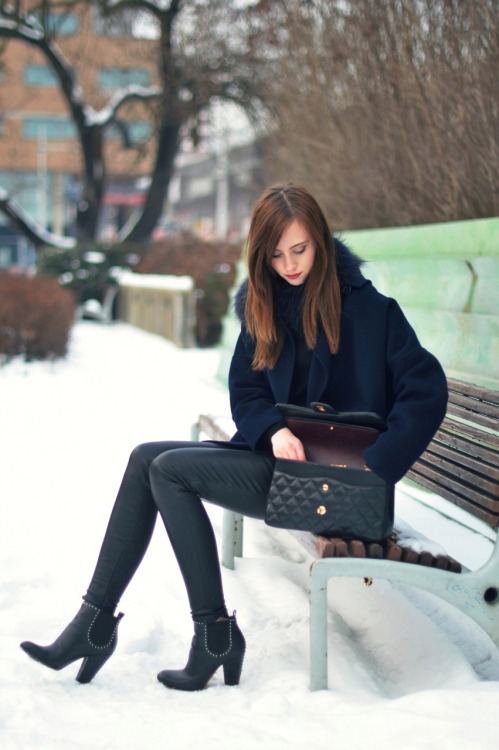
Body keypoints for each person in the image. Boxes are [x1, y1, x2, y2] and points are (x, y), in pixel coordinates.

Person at [20, 183, 448, 691]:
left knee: (170, 470)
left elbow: (426, 390)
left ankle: (214, 635)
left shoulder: (370, 311)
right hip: (280, 465)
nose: (289, 264)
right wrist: (274, 429)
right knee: (144, 458)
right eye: (275, 254)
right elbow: (245, 390)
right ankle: (94, 624)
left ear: (322, 242)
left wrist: (375, 466)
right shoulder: (263, 305)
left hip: (338, 489)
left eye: (301, 249)